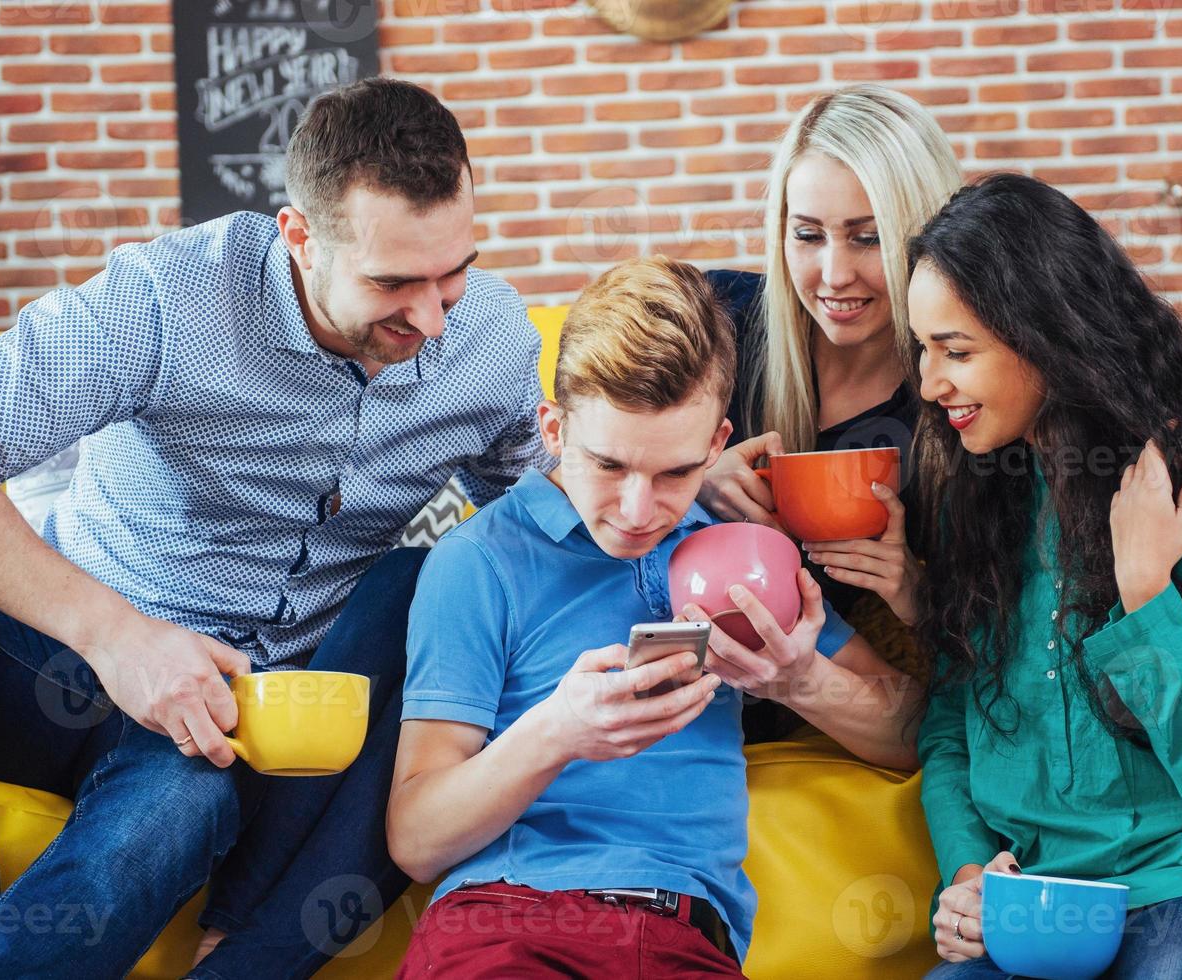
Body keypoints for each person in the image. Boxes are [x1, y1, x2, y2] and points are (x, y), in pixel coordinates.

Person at [0, 77, 549, 978]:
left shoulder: (491, 341)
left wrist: (677, 475)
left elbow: (552, 518)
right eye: (392, 282)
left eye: (452, 274)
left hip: (223, 725)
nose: (429, 318)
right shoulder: (166, 298)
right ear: (299, 237)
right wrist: (118, 637)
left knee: (176, 814)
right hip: (61, 648)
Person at [388, 257, 922, 978]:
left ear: (715, 442)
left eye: (675, 473)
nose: (639, 513)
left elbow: (919, 732)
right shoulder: (479, 561)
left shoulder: (741, 556)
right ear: (552, 428)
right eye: (608, 466)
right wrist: (557, 731)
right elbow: (416, 838)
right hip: (506, 923)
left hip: (685, 938)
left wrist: (800, 679)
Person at [906, 174, 1182, 978]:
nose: (931, 384)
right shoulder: (978, 504)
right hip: (1044, 908)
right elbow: (949, 729)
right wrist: (970, 876)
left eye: (956, 351)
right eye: (924, 349)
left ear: (1043, 333)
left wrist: (1144, 587)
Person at [700, 84, 962, 636]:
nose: (834, 274)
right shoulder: (715, 319)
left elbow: (992, 633)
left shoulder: (954, 403)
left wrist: (914, 594)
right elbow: (590, 465)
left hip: (799, 681)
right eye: (808, 235)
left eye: (868, 238)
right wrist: (688, 478)